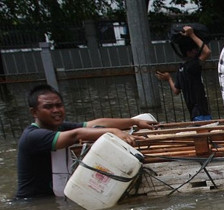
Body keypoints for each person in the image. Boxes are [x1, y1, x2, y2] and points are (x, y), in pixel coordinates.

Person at [15, 84, 156, 199]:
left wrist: (135, 122)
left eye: (59, 105)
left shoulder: (59, 127)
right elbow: (75, 135)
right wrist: (114, 132)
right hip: (34, 201)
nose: (56, 110)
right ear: (34, 112)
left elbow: (96, 123)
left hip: (53, 197)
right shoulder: (33, 136)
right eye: (48, 107)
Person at [155, 25, 212, 121]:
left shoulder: (181, 69)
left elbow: (176, 90)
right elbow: (207, 52)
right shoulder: (192, 65)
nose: (197, 51)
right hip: (201, 111)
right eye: (194, 50)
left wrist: (169, 78)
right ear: (188, 52)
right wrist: (192, 35)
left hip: (193, 113)